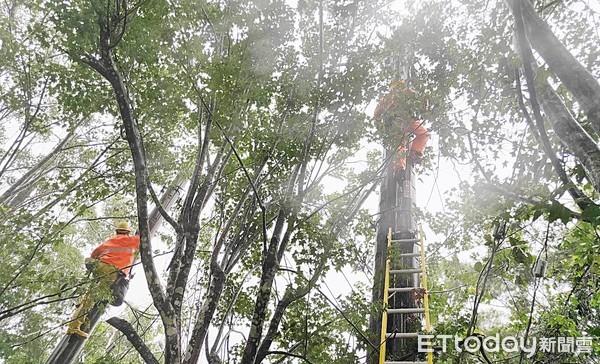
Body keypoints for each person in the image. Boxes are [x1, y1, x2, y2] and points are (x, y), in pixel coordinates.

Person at [67, 221, 140, 338]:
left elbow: (94, 254)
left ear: (117, 231)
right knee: (92, 298)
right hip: (111, 271)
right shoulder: (131, 240)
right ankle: (74, 327)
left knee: (90, 292)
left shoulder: (110, 240)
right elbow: (142, 238)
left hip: (99, 265)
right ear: (128, 232)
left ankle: (80, 301)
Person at [374, 80, 430, 177]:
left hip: (408, 120)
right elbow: (377, 114)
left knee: (423, 134)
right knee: (401, 142)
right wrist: (380, 126)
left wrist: (424, 106)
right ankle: (399, 168)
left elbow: (422, 100)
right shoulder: (388, 98)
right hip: (397, 122)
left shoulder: (407, 93)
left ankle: (414, 153)